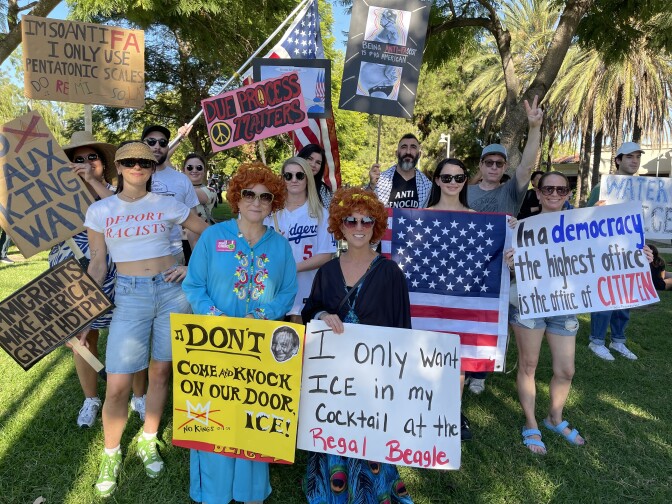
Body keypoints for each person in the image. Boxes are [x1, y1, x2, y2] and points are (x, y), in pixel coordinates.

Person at [83, 141, 209, 497]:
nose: (138, 166)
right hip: (129, 294)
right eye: (130, 161)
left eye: (145, 161)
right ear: (118, 168)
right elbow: (96, 264)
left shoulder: (170, 204)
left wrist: (191, 267)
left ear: (153, 168)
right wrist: (80, 314)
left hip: (173, 293)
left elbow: (209, 232)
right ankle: (111, 452)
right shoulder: (101, 210)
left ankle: (148, 439)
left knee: (160, 372)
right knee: (119, 382)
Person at [183, 162, 297, 504]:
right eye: (249, 194)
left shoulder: (280, 246)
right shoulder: (214, 237)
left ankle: (250, 493)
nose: (257, 202)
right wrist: (214, 316)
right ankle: (213, 494)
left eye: (266, 196)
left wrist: (263, 314)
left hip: (258, 347)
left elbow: (288, 291)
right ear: (237, 197)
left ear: (273, 202)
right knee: (214, 416)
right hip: (213, 345)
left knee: (252, 418)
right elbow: (194, 284)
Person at [301, 187, 412, 504]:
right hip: (334, 376)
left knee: (369, 436)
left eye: (366, 222)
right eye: (351, 221)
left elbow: (403, 328)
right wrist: (323, 314)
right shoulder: (327, 270)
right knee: (334, 431)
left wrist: (399, 378)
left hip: (373, 376)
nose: (359, 227)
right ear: (340, 226)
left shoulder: (391, 273)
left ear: (376, 227)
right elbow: (311, 310)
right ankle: (329, 491)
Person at [465, 96, 543, 394]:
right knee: (468, 316)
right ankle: (463, 364)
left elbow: (527, 166)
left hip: (500, 269)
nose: (494, 166)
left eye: (499, 163)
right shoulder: (465, 191)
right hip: (467, 267)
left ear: (504, 166)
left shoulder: (512, 192)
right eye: (489, 162)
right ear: (481, 165)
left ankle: (481, 374)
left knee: (491, 320)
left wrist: (533, 128)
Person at [505, 171, 584, 455]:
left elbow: (608, 254)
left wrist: (640, 255)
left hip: (565, 304)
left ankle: (554, 417)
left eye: (561, 189)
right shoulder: (520, 228)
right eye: (547, 188)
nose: (554, 193)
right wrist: (512, 264)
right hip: (529, 303)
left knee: (566, 369)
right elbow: (511, 269)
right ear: (537, 193)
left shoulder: (583, 225)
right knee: (529, 365)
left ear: (567, 194)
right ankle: (530, 422)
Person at [48, 131, 118, 428]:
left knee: (126, 336)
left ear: (102, 164)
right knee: (83, 337)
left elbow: (123, 214)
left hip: (115, 274)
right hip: (71, 270)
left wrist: (92, 181)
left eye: (93, 158)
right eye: (79, 159)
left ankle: (137, 395)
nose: (87, 163)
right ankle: (91, 398)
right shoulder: (55, 199)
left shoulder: (115, 193)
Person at [427, 158, 474, 441]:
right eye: (447, 178)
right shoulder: (421, 215)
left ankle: (451, 414)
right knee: (427, 357)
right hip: (428, 297)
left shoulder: (476, 217)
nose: (453, 183)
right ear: (437, 181)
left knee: (458, 357)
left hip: (462, 298)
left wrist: (509, 230)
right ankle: (425, 411)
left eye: (459, 178)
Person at [586, 142, 644, 361]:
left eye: (637, 157)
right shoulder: (602, 188)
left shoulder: (643, 189)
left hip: (631, 250)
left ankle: (618, 340)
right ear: (618, 160)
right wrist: (595, 211)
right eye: (629, 157)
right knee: (605, 294)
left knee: (626, 296)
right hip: (605, 250)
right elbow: (586, 218)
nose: (634, 161)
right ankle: (597, 341)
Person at [265, 157, 335, 323]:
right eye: (288, 176)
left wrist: (292, 268)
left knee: (300, 342)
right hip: (272, 289)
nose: (294, 180)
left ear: (308, 178)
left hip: (306, 289)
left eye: (299, 175)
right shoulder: (270, 213)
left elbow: (326, 255)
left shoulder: (321, 214)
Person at [141, 124, 200, 265]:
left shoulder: (182, 180)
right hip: (139, 259)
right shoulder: (133, 177)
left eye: (162, 143)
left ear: (167, 147)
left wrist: (197, 263)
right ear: (141, 145)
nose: (157, 146)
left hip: (174, 257)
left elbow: (193, 226)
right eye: (151, 142)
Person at [368, 133, 432, 208]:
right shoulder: (380, 180)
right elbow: (362, 206)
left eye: (413, 147)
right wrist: (371, 186)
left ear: (419, 155)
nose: (408, 152)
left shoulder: (427, 186)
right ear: (396, 153)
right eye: (404, 147)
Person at [181, 152, 217, 263]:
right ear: (184, 170)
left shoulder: (210, 191)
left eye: (199, 167)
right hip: (178, 243)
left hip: (201, 239)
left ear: (204, 171)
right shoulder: (178, 189)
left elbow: (192, 194)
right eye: (190, 167)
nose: (194, 170)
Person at [298, 144, 333, 209]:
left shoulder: (323, 190)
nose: (313, 165)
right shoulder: (287, 183)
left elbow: (329, 215)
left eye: (318, 162)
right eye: (310, 159)